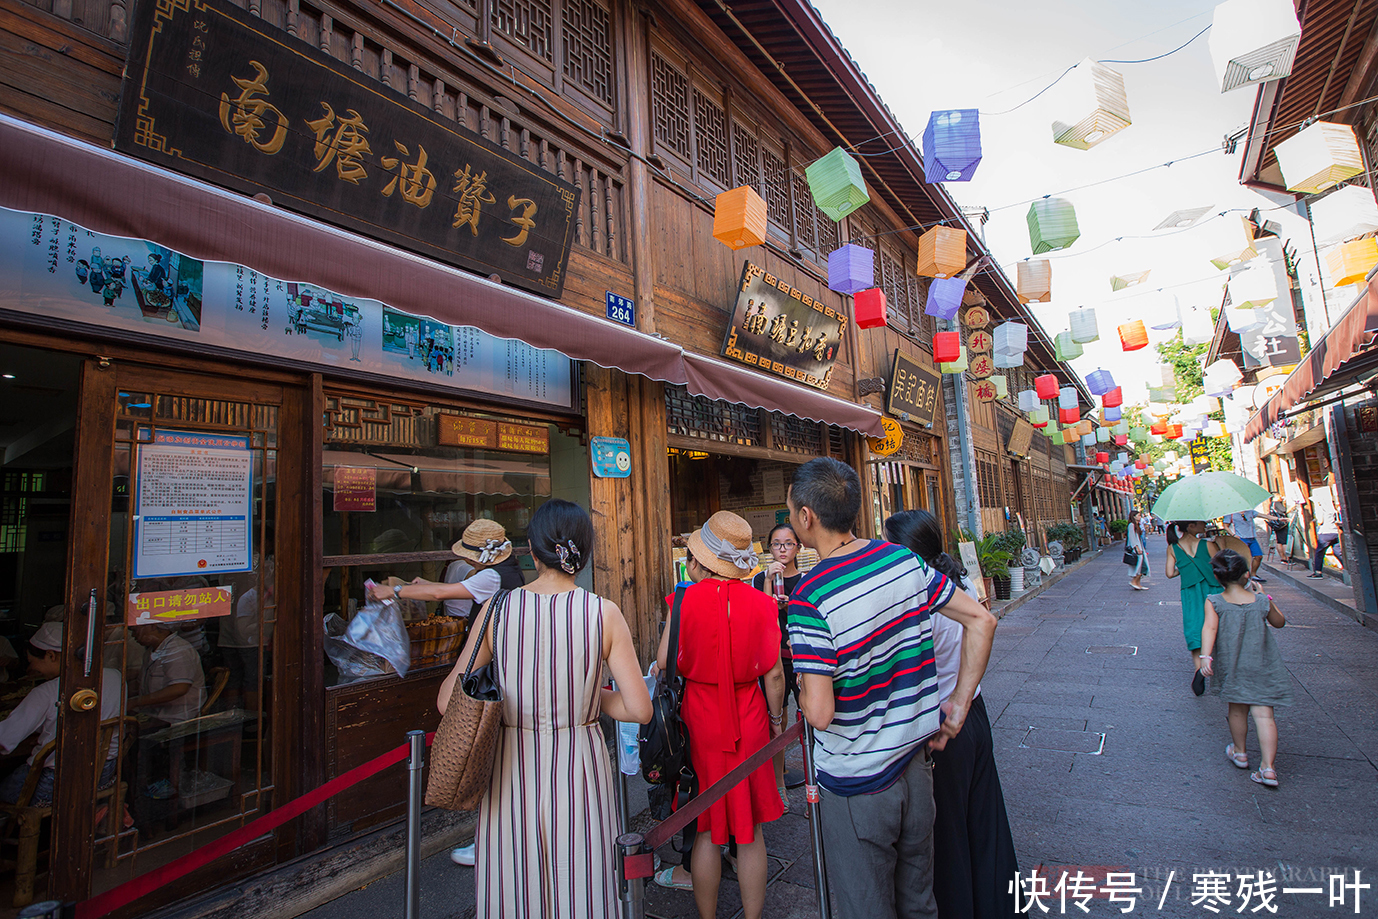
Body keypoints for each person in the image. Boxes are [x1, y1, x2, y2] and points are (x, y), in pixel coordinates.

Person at [786, 458, 997, 919]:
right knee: (920, 903)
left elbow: (819, 714)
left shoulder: (808, 597)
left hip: (858, 787)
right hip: (917, 773)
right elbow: (982, 618)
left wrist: (802, 685)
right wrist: (957, 707)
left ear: (807, 517)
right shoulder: (903, 562)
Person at [443, 499, 650, 916]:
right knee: (583, 880)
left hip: (510, 767)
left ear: (533, 553)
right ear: (583, 553)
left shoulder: (496, 611)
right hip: (580, 762)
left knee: (515, 883)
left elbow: (448, 698)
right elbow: (639, 709)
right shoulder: (602, 613)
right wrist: (592, 698)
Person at [883, 510, 1017, 919]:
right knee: (984, 824)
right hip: (973, 714)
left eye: (887, 543)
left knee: (947, 835)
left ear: (906, 552)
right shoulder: (955, 583)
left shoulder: (921, 599)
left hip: (944, 726)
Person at [653, 512, 786, 919]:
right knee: (751, 831)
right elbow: (776, 674)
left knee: (707, 825)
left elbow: (662, 662)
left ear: (703, 559)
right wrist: (777, 720)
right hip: (749, 716)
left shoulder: (683, 601)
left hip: (700, 718)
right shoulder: (763, 603)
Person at [0, 623, 123, 805]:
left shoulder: (46, 692)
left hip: (53, 783)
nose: (33, 669)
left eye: (33, 662)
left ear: (51, 655)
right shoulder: (116, 677)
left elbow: (4, 739)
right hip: (102, 774)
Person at [1199, 550, 1291, 788]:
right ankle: (1268, 768)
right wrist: (1266, 597)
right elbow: (1279, 622)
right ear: (1247, 575)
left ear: (1218, 578)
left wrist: (1206, 657)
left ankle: (1240, 753)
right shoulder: (1260, 600)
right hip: (1262, 665)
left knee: (1237, 711)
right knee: (1265, 716)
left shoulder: (1214, 601)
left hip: (1232, 665)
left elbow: (1209, 629)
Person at [750, 522, 801, 806]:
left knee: (808, 718)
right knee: (776, 720)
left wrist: (790, 605)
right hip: (772, 659)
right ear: (769, 548)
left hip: (800, 658)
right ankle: (778, 782)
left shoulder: (807, 578)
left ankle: (814, 787)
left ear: (798, 547)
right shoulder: (759, 580)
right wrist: (769, 582)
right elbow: (758, 616)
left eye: (788, 544)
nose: (782, 549)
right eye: (776, 544)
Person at [373, 519, 511, 619]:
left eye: (470, 558)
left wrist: (393, 591)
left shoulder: (491, 576)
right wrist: (428, 584)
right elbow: (459, 587)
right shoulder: (506, 568)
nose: (468, 561)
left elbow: (439, 594)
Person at [1164, 521, 1221, 697]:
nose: (1204, 525)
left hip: (1190, 593)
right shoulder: (1208, 545)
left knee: (1195, 629)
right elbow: (1220, 567)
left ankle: (1199, 670)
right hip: (1212, 590)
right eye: (1199, 523)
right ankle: (1220, 670)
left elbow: (1169, 573)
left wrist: (1186, 567)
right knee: (1216, 628)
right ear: (1190, 526)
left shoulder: (1173, 548)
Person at [129, 622, 206, 723]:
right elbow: (139, 684)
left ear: (153, 626)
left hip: (176, 718)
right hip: (153, 713)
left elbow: (179, 689)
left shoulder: (178, 650)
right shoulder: (151, 652)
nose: (133, 635)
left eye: (135, 630)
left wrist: (136, 702)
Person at [1308, 495, 1342, 579]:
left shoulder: (1321, 508)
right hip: (1334, 531)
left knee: (1319, 553)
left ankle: (1318, 572)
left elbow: (1320, 520)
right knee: (1337, 551)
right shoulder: (1333, 508)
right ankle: (1347, 567)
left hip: (1325, 532)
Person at [1125, 509, 1150, 591]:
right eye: (1138, 515)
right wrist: (1136, 547)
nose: (1140, 517)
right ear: (1134, 516)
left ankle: (1138, 584)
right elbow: (1132, 537)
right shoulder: (1131, 525)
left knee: (1142, 565)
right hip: (1137, 549)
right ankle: (1134, 581)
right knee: (1141, 566)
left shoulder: (1136, 525)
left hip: (1140, 547)